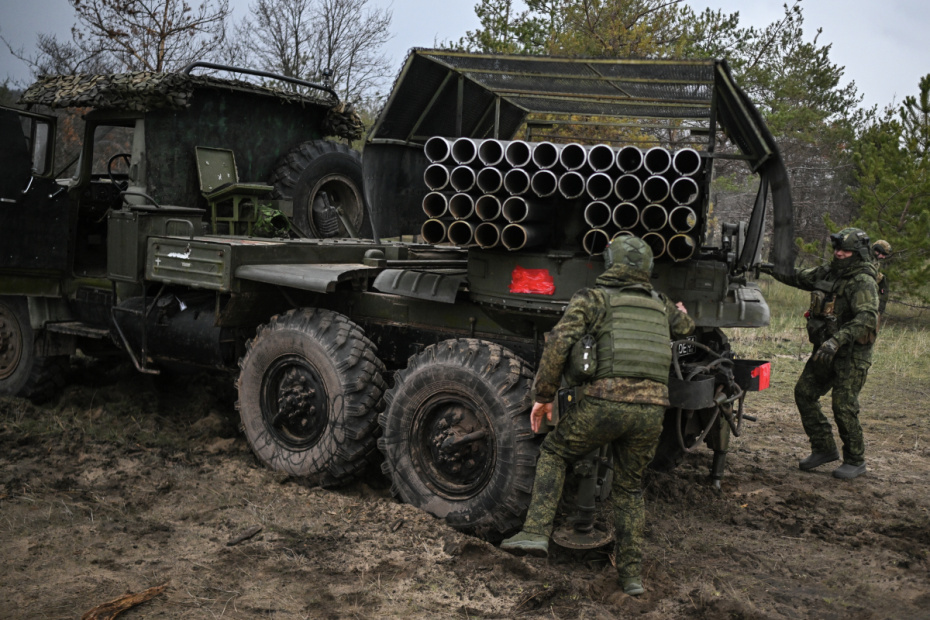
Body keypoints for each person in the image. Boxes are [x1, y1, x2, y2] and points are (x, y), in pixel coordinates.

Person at [499, 236, 694, 597]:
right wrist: (681, 312)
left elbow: (559, 342)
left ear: (610, 263)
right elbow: (686, 329)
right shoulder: (660, 304)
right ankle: (631, 576)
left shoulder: (593, 299)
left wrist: (543, 397)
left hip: (603, 403)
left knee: (556, 453)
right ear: (646, 269)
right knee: (629, 489)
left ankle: (536, 533)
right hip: (652, 411)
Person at [763, 228, 879, 480]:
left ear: (857, 253)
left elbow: (867, 318)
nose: (839, 254)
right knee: (804, 393)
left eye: (845, 250)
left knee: (844, 406)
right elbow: (798, 277)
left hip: (850, 354)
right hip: (825, 350)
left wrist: (837, 340)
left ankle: (855, 460)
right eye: (837, 249)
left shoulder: (863, 281)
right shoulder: (828, 272)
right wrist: (765, 267)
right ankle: (824, 448)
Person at [871, 240, 892, 318]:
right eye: (883, 254)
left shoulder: (875, 261)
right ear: (876, 250)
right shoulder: (866, 259)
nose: (884, 257)